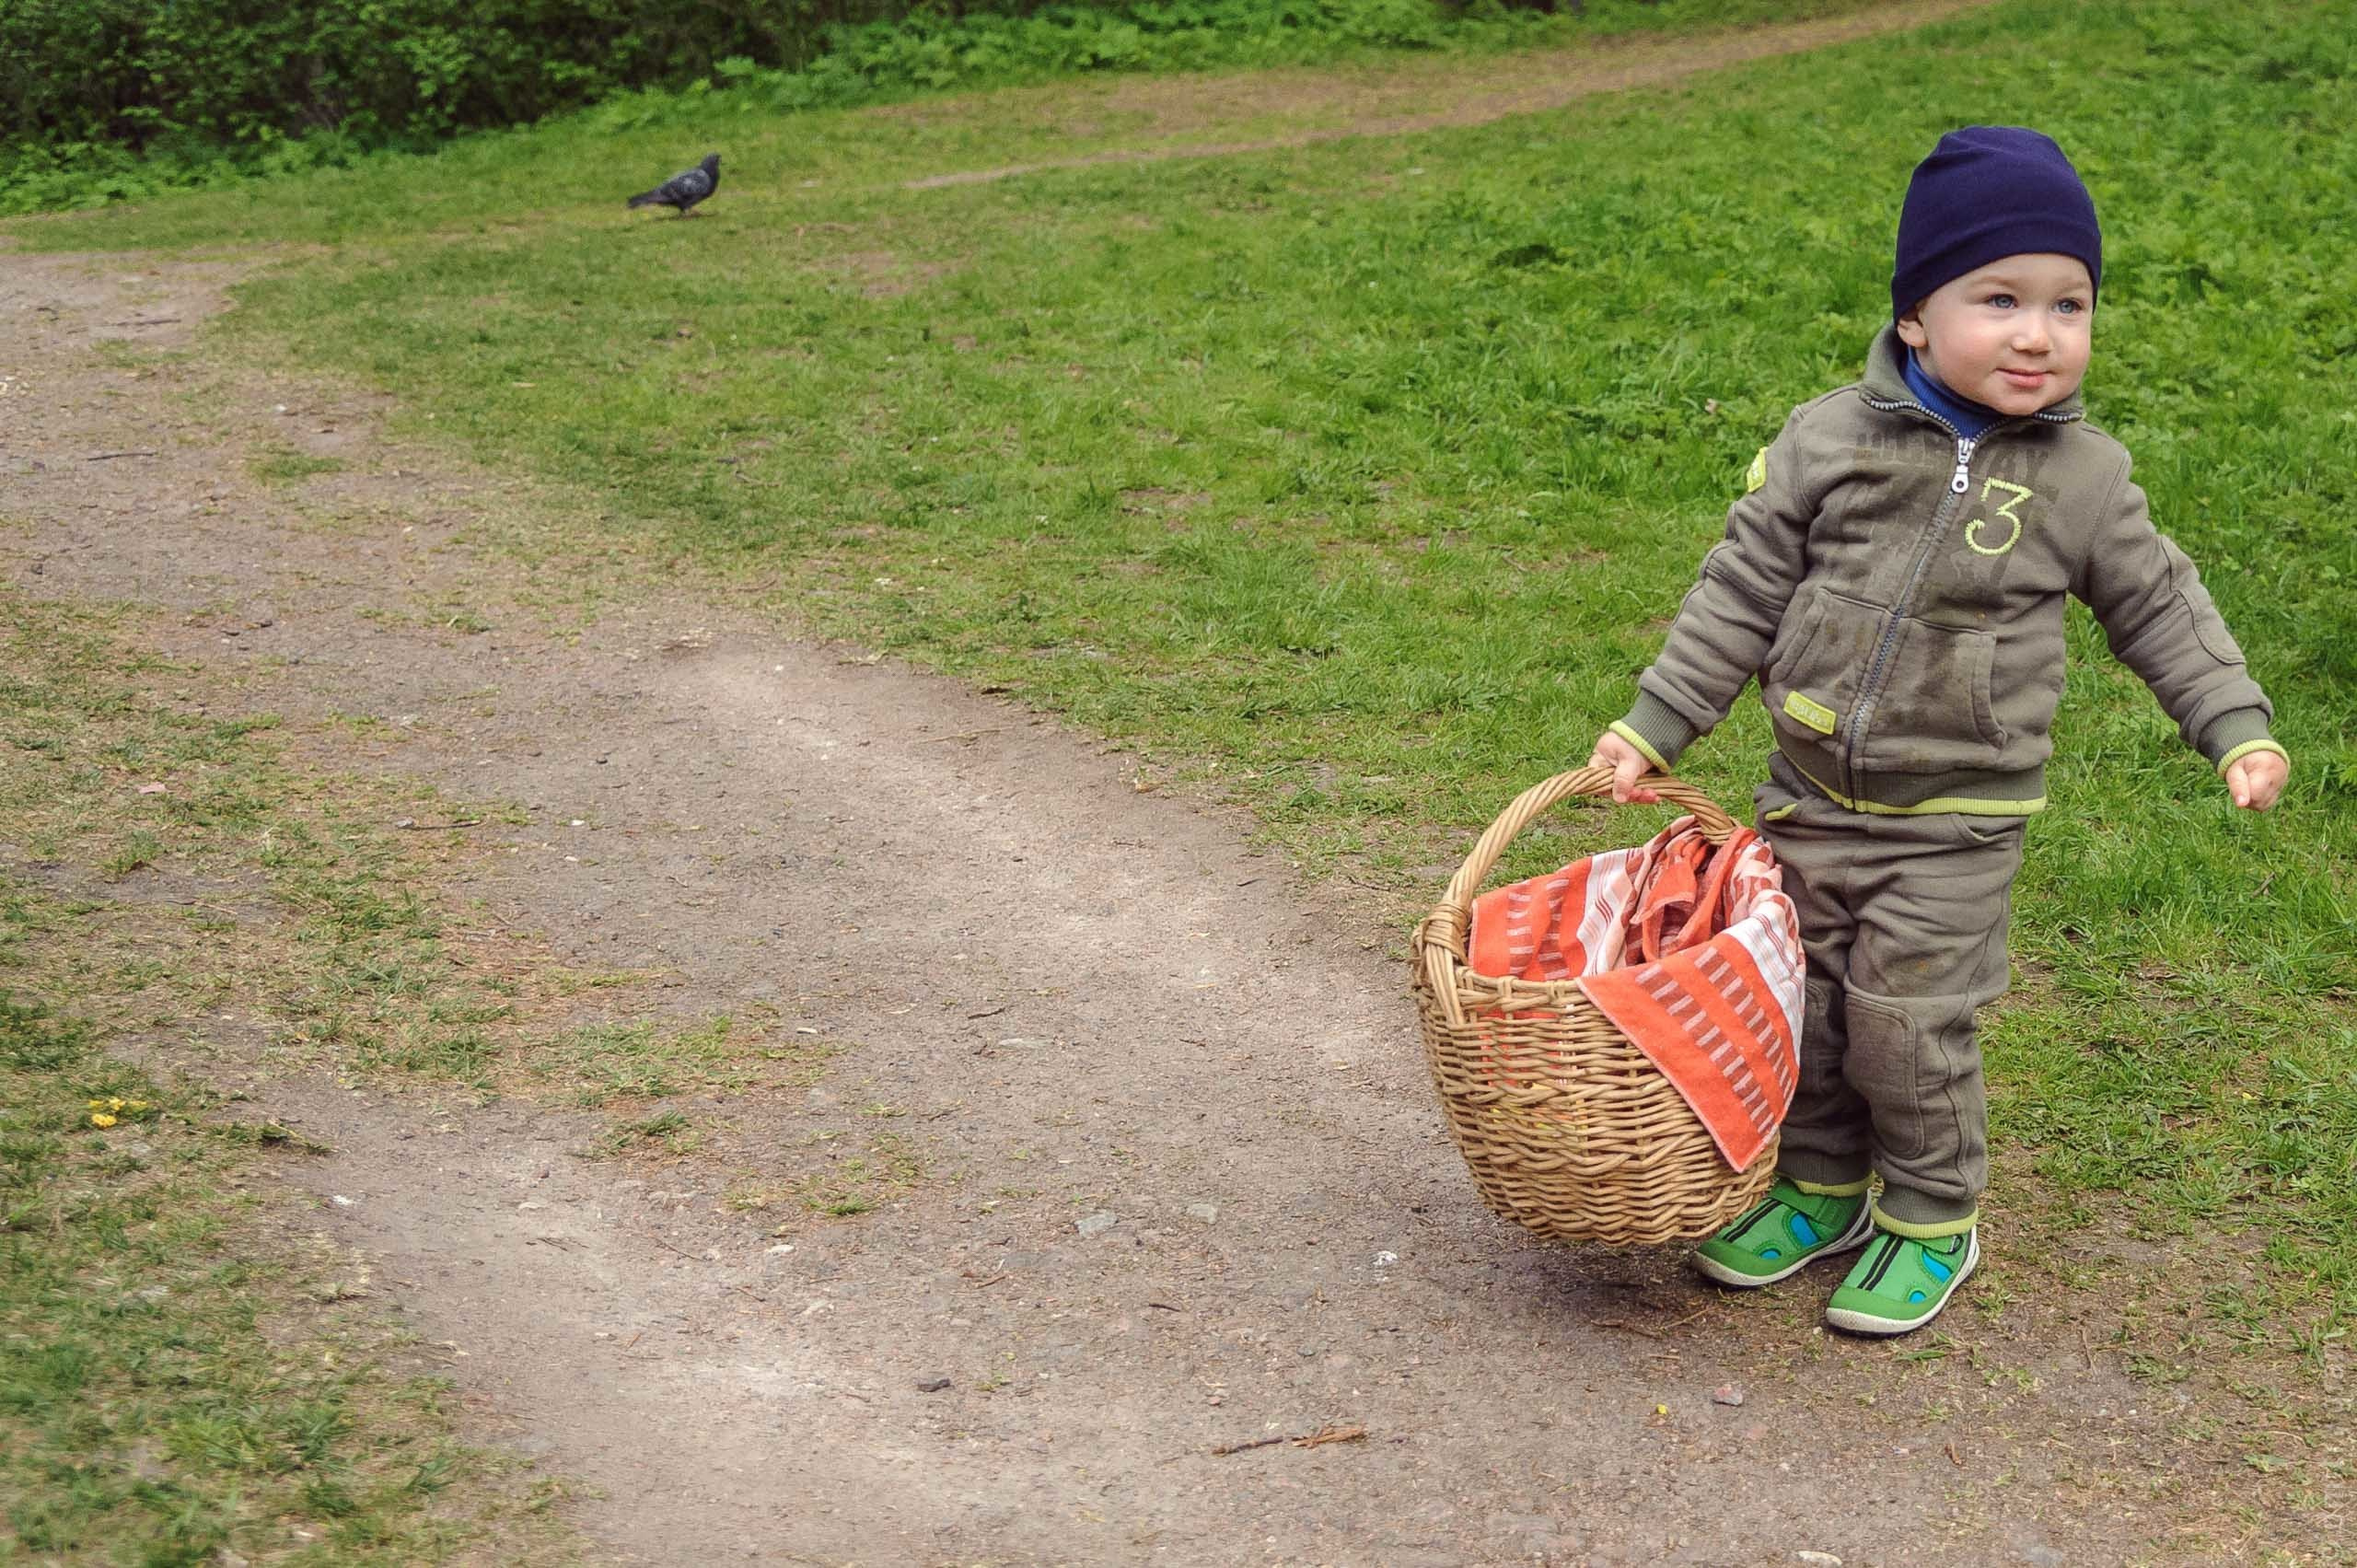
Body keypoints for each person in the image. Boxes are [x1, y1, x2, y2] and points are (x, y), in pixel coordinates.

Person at [1585, 126, 2289, 1336]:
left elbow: (2162, 608)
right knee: (1801, 1010)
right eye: (2000, 298)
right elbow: (1738, 595)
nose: (2038, 332)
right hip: (1808, 797)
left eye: (2069, 304)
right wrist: (1654, 727)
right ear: (1916, 315)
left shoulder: (2085, 482)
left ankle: (1929, 1216)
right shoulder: (1826, 441)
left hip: (1956, 824)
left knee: (1909, 1026)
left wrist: (2232, 724)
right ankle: (1819, 1190)